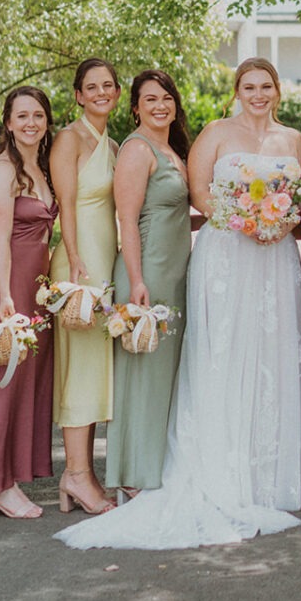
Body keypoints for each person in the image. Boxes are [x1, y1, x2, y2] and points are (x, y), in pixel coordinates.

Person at [55, 57, 301, 550]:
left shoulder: (290, 140)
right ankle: (134, 474)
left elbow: (298, 198)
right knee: (194, 362)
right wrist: (248, 219)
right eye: (249, 85)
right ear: (236, 90)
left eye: (267, 85)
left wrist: (278, 222)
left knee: (262, 357)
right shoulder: (201, 136)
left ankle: (263, 469)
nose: (259, 93)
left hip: (261, 261)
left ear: (278, 90)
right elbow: (199, 195)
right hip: (211, 258)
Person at [0, 87, 57, 518]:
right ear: (7, 122)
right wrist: (3, 297)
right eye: (22, 116)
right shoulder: (3, 170)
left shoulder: (40, 166)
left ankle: (9, 479)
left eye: (37, 115)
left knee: (23, 385)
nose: (31, 123)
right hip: (7, 283)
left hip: (35, 284)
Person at [105, 70, 192, 496]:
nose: (161, 106)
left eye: (167, 98)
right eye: (150, 99)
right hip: (149, 272)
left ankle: (155, 466)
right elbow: (127, 219)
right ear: (135, 107)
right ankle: (133, 475)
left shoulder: (172, 149)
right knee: (142, 372)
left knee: (164, 374)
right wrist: (137, 280)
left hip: (175, 271)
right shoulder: (137, 150)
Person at [49, 58, 121, 515]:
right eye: (91, 86)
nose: (100, 92)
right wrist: (75, 261)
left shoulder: (111, 142)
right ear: (77, 95)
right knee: (80, 368)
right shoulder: (68, 139)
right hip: (79, 265)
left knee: (96, 369)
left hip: (106, 259)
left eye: (108, 85)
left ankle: (82, 473)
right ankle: (75, 473)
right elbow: (65, 206)